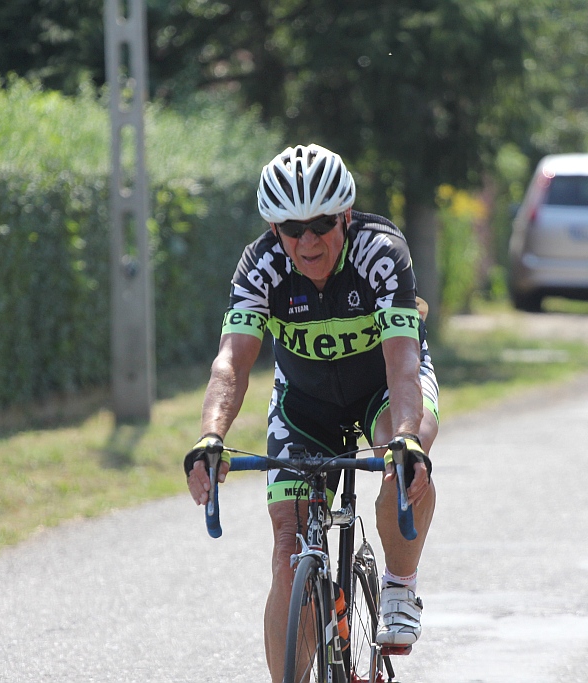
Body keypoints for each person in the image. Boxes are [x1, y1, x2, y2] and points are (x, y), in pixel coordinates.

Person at [184, 143, 439, 681]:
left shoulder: (381, 252)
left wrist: (407, 438)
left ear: (345, 215)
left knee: (405, 454)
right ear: (274, 229)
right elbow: (232, 362)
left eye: (321, 223)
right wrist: (210, 437)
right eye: (290, 227)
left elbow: (402, 362)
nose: (307, 240)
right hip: (304, 404)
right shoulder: (262, 266)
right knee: (286, 556)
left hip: (380, 388)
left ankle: (399, 583)